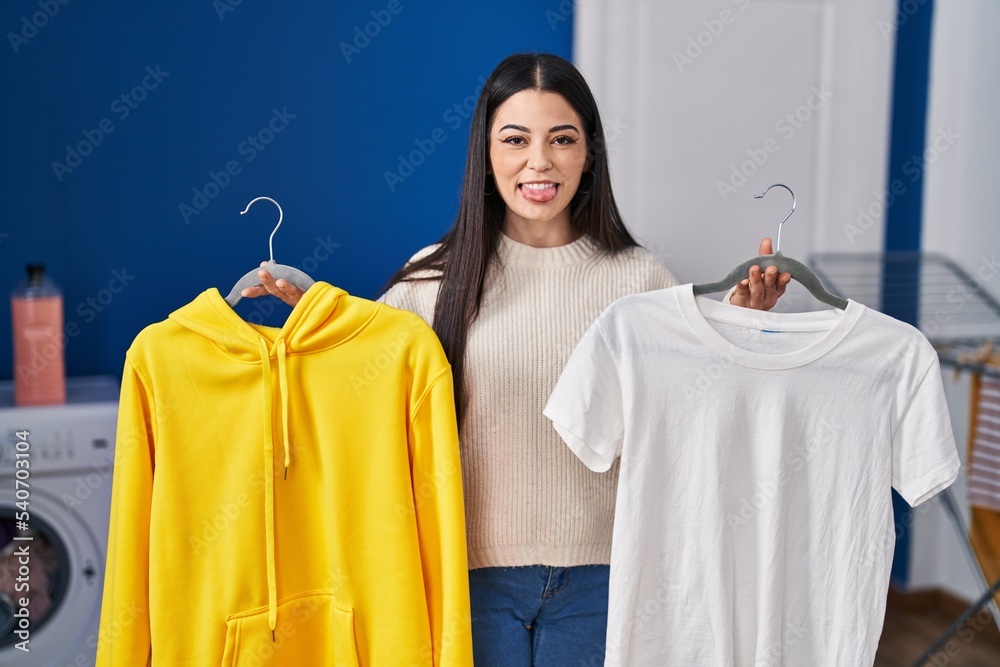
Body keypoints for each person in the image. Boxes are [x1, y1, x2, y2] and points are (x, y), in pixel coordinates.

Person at [245, 52, 790, 665]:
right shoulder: (430, 283)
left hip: (606, 579)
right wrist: (315, 328)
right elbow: (356, 410)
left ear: (590, 154)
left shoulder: (641, 280)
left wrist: (738, 332)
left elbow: (690, 421)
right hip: (465, 577)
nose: (540, 161)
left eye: (562, 139)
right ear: (486, 154)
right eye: (515, 139)